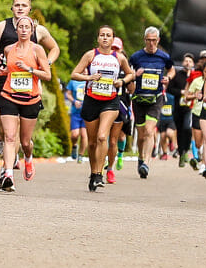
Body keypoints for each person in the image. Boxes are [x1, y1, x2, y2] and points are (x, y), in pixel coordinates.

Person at [0, 0, 61, 179]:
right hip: (4, 82)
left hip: (30, 87)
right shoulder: (1, 27)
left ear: (29, 9)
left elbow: (55, 48)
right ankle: (9, 163)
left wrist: (45, 64)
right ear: (12, 7)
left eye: (24, 5)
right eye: (17, 5)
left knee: (20, 137)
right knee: (3, 133)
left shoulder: (38, 31)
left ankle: (8, 167)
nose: (20, 8)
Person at [70, 26, 134, 192]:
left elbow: (130, 74)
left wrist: (122, 81)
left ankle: (99, 174)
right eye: (102, 35)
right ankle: (93, 173)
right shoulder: (90, 55)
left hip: (111, 102)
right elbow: (74, 74)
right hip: (91, 100)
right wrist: (89, 77)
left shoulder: (119, 58)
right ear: (98, 38)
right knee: (91, 143)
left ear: (113, 40)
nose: (105, 38)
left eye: (108, 36)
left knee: (102, 137)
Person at [0, 16, 50, 192]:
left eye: (27, 27)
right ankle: (8, 174)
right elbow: (10, 70)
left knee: (25, 142)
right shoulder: (8, 49)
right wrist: (3, 72)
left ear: (32, 31)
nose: (24, 30)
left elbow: (47, 75)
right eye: (21, 27)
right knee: (9, 137)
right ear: (16, 30)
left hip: (30, 99)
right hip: (9, 96)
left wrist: (30, 70)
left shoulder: (38, 50)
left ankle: (28, 157)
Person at [129, 27, 173, 179]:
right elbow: (128, 74)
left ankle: (146, 163)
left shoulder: (164, 56)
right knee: (141, 135)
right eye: (149, 40)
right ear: (145, 40)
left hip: (156, 98)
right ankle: (141, 158)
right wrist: (134, 75)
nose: (151, 43)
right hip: (139, 99)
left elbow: (171, 70)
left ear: (158, 40)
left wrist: (169, 78)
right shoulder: (135, 57)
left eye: (154, 40)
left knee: (149, 130)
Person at [185, 51, 206, 177]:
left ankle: (205, 163)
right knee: (198, 142)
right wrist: (194, 96)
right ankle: (202, 158)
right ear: (202, 71)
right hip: (197, 112)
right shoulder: (197, 81)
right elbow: (186, 96)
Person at [63, 76, 87, 161]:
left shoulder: (90, 80)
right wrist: (74, 101)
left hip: (87, 112)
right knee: (75, 134)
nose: (84, 71)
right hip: (76, 112)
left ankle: (80, 155)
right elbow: (67, 94)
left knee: (84, 135)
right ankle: (74, 146)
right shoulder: (73, 81)